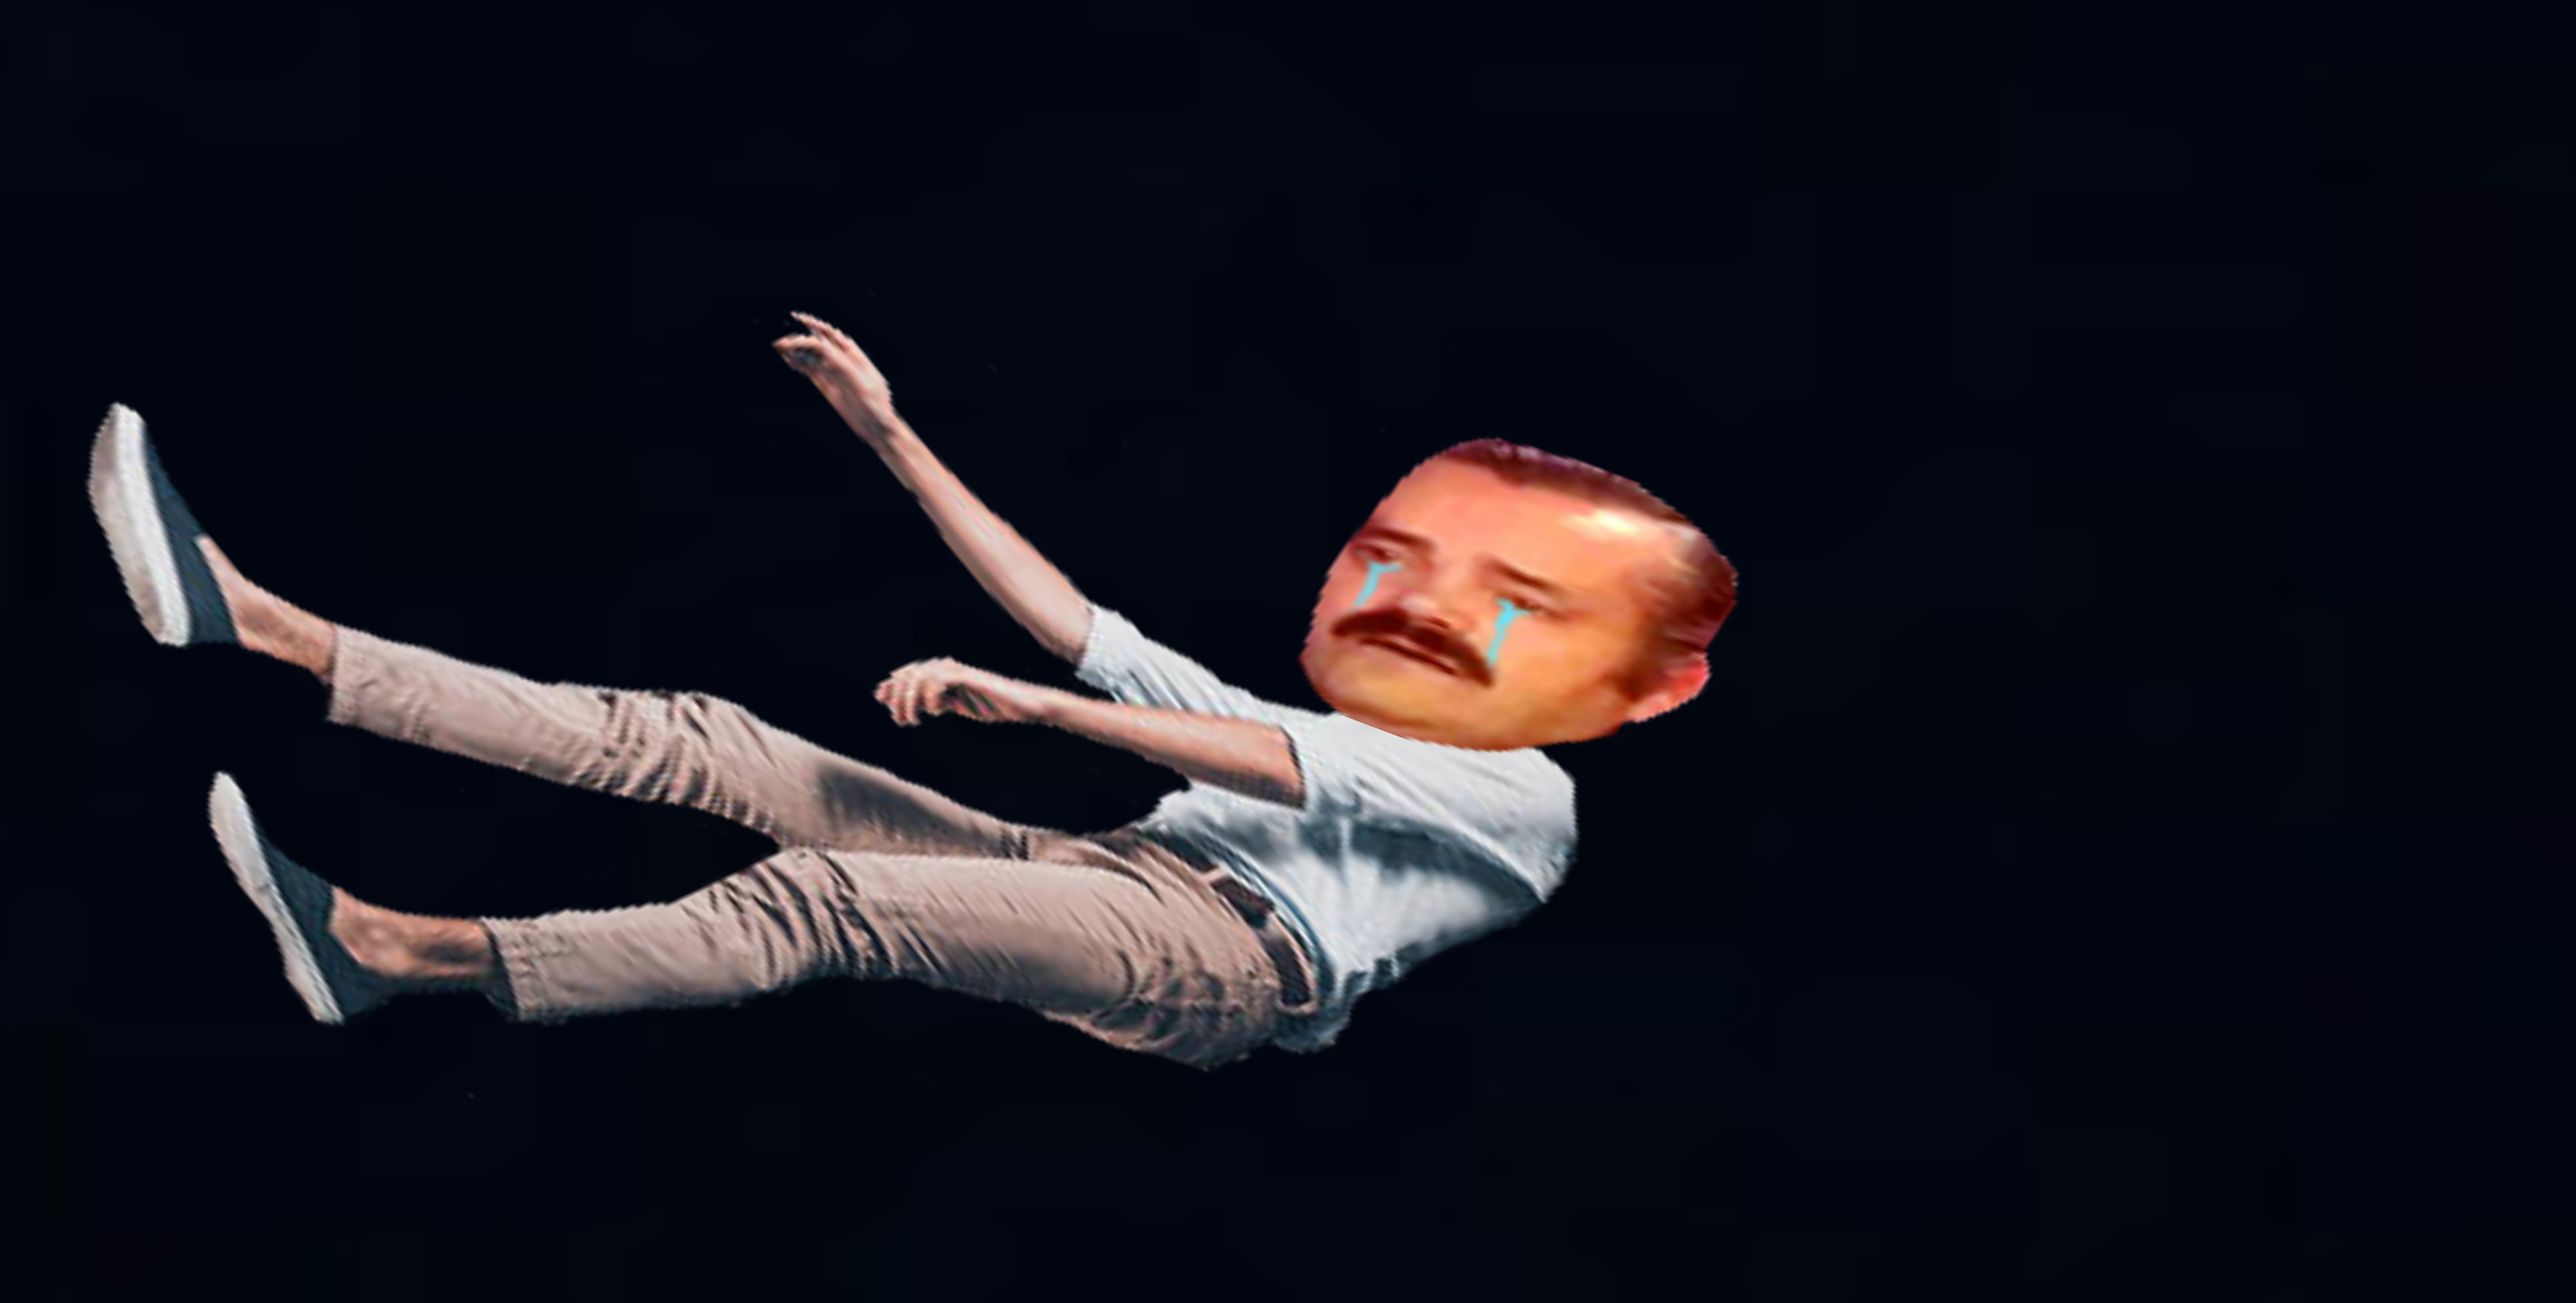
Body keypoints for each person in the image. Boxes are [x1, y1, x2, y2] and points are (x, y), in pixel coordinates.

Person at [89, 314, 1731, 1067]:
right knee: (710, 743)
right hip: (1109, 872)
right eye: (1398, 560)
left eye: (1520, 604)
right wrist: (887, 431)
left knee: (829, 900)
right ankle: (269, 627)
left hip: (1227, 963)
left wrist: (1040, 714)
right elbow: (1077, 622)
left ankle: (391, 950)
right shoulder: (1327, 723)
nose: (1427, 610)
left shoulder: (1529, 802)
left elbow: (1274, 767)